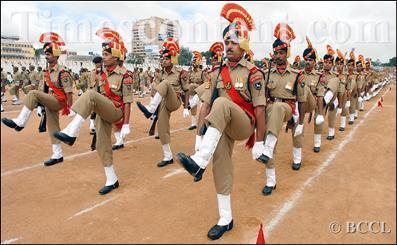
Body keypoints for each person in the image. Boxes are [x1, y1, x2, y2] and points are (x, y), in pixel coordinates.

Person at [176, 3, 266, 240]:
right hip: (220, 124)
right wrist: (198, 136)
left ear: (244, 44)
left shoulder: (253, 72)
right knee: (221, 168)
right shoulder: (217, 71)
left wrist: (260, 143)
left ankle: (199, 162)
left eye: (233, 42)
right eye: (226, 43)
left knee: (222, 104)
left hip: (242, 124)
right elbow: (205, 104)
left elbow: (259, 108)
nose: (228, 47)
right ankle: (225, 219)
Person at [53, 28, 133, 195]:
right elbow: (98, 95)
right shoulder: (100, 74)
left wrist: (125, 123)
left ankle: (71, 131)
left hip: (116, 111)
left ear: (116, 56)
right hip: (103, 110)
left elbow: (127, 101)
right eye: (102, 53)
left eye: (106, 54)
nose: (103, 57)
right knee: (101, 145)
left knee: (89, 95)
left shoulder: (126, 75)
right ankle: (112, 180)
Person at [2, 32, 74, 166]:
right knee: (53, 128)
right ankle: (57, 155)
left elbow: (69, 93)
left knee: (32, 93)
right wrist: (41, 106)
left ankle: (20, 122)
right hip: (49, 101)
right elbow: (44, 90)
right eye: (45, 54)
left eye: (49, 54)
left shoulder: (62, 72)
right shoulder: (45, 72)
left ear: (56, 55)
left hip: (59, 101)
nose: (46, 56)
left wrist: (69, 110)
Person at [257, 23, 306, 194]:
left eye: (281, 53)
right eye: (275, 53)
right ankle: (271, 182)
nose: (277, 56)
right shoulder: (267, 73)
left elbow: (301, 99)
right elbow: (262, 96)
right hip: (272, 109)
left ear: (287, 53)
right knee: (267, 140)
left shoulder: (297, 74)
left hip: (288, 109)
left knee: (278, 108)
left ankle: (293, 157)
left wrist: (299, 121)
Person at [136, 38, 189, 167]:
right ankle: (168, 156)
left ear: (172, 59)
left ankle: (150, 110)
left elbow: (186, 90)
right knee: (162, 127)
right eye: (162, 59)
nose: (163, 61)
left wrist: (186, 107)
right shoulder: (160, 74)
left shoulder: (180, 72)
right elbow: (157, 89)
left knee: (164, 84)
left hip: (175, 100)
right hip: (164, 103)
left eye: (166, 59)